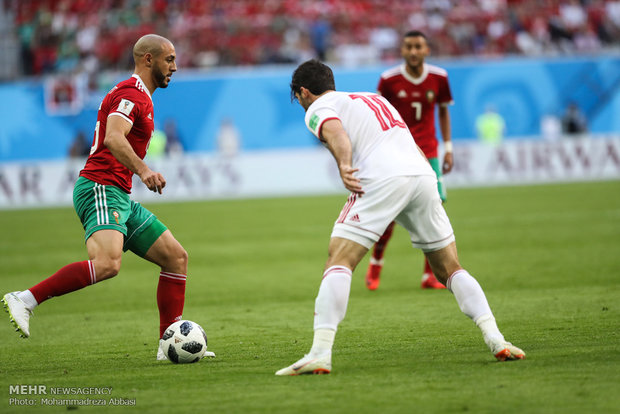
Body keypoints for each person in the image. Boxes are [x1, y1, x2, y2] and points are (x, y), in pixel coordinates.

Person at [276, 59, 524, 376]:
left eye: (297, 97)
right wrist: (431, 181)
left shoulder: (318, 108)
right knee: (449, 268)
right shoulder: (374, 99)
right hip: (421, 175)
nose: (299, 102)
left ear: (304, 92)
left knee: (338, 260)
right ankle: (496, 338)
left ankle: (320, 352)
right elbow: (408, 140)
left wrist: (344, 164)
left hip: (380, 178)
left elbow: (337, 133)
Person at [2, 34, 213, 360]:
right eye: (169, 59)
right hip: (100, 187)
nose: (174, 66)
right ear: (148, 60)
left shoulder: (141, 96)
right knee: (107, 264)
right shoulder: (131, 93)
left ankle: (166, 345)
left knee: (175, 258)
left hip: (118, 193)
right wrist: (144, 171)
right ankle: (25, 299)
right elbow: (114, 138)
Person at [365, 30, 454, 291]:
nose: (413, 51)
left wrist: (447, 148)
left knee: (433, 211)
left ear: (427, 50)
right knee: (389, 213)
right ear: (402, 51)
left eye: (418, 46)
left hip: (428, 153)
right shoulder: (389, 80)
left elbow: (444, 113)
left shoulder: (439, 77)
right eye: (408, 47)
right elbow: (378, 117)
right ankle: (376, 263)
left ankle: (430, 275)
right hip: (396, 154)